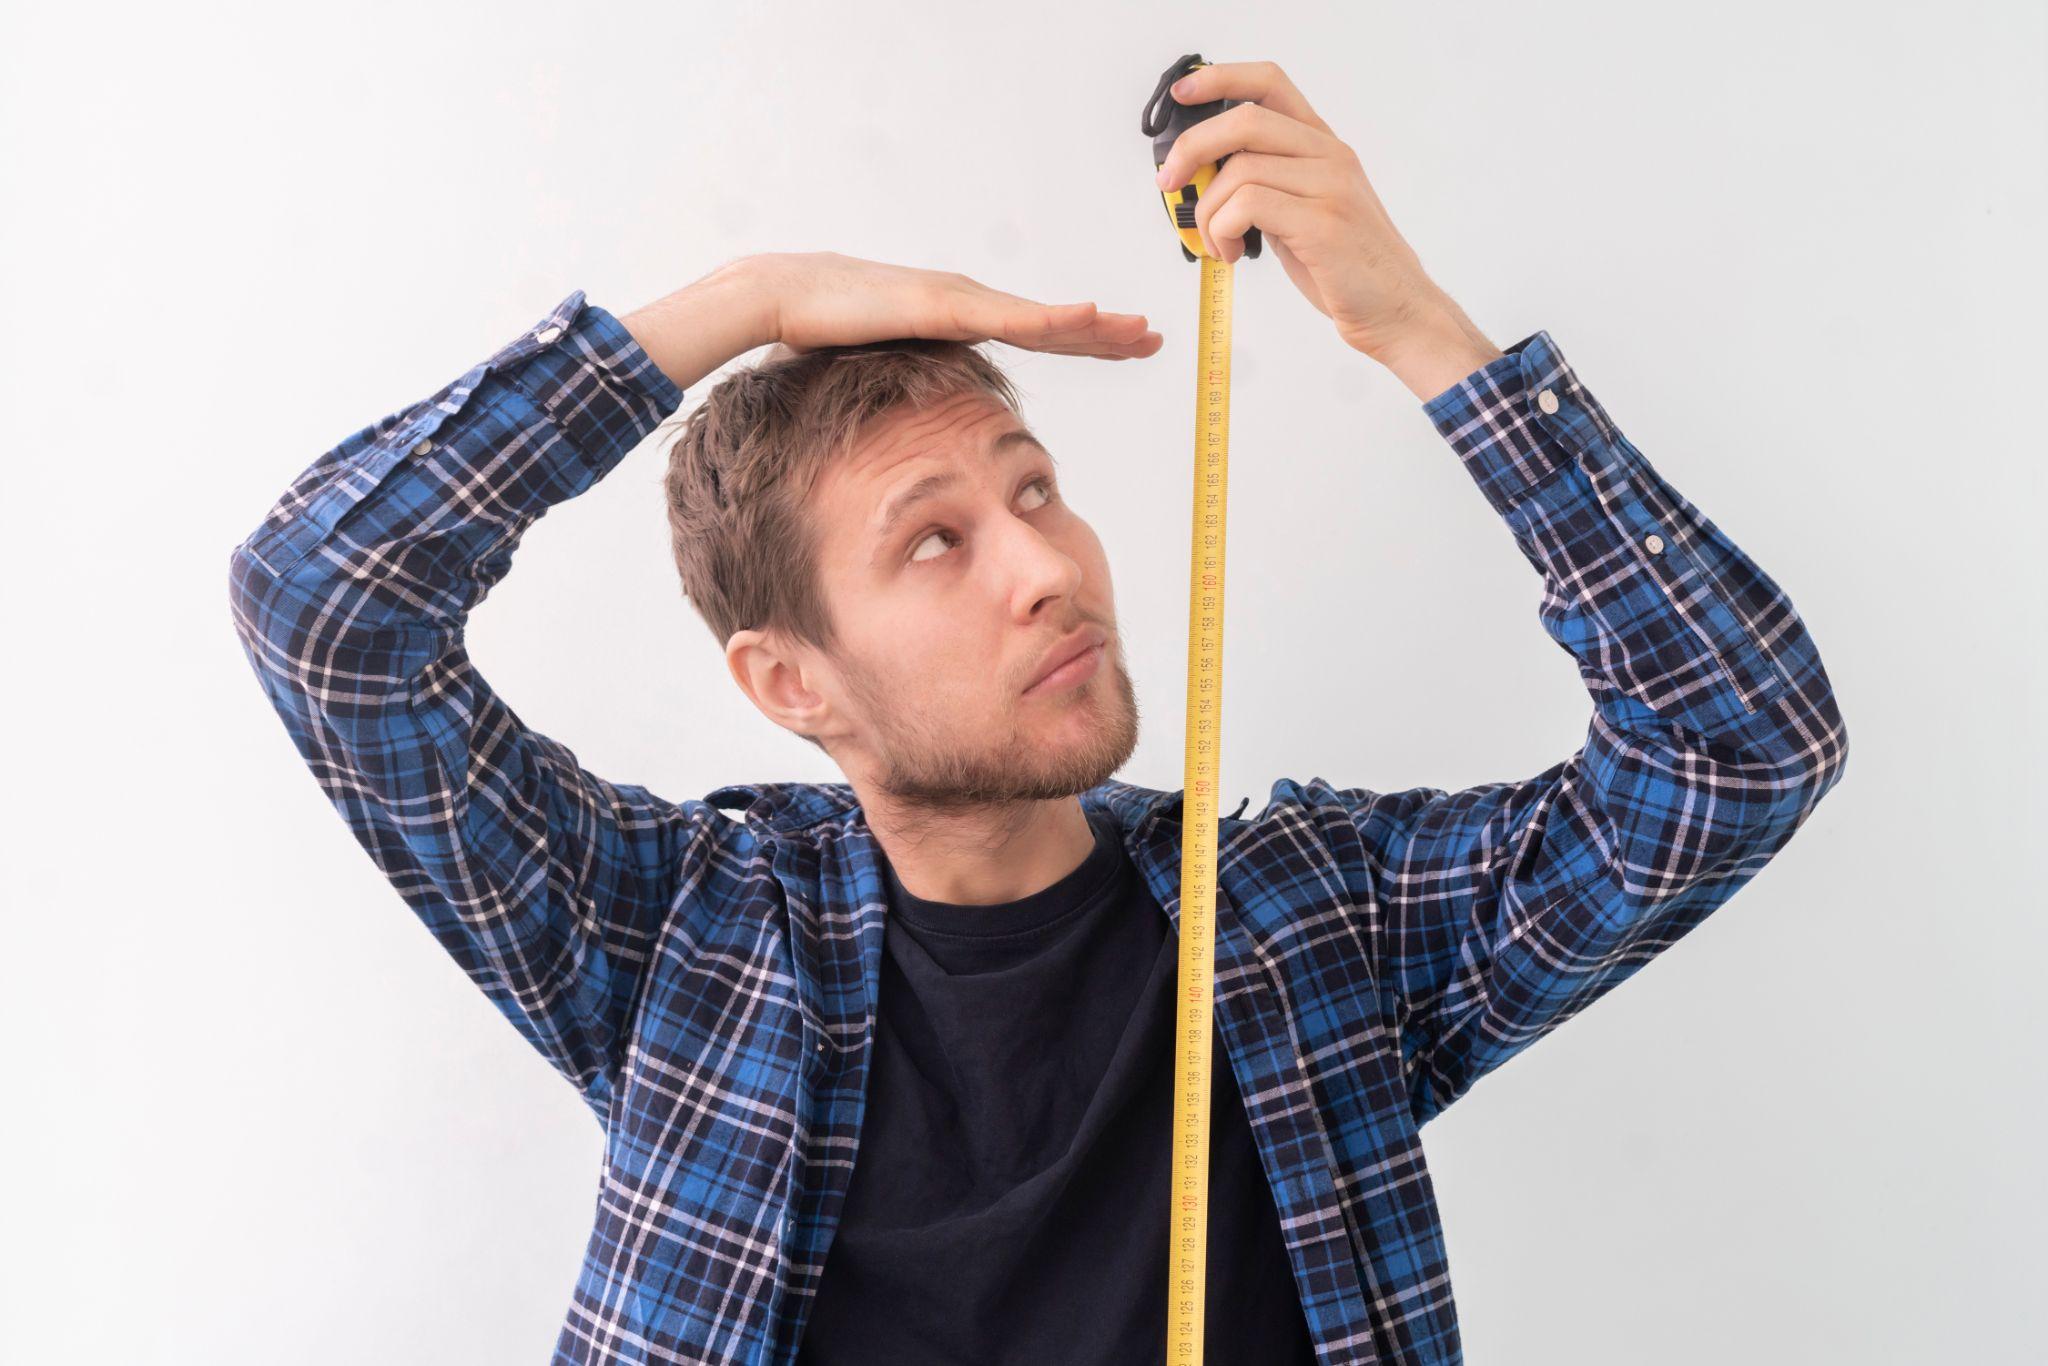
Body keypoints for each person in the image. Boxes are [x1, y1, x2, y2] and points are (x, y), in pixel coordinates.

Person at [228, 59, 1847, 1366]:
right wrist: (755, 295)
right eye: (936, 539)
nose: (1048, 566)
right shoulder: (677, 946)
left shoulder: (1306, 927)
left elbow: (1741, 745)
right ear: (791, 682)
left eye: (1037, 491)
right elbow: (327, 606)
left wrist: (1414, 330)